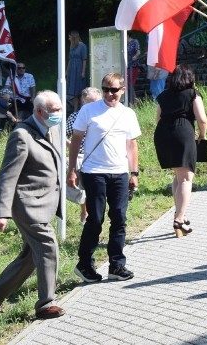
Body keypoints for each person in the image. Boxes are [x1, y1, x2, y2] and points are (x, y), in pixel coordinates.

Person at [0, 90, 66, 319]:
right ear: (39, 111)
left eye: (60, 108)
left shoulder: (51, 128)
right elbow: (7, 176)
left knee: (31, 257)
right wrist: (1, 213)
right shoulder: (21, 135)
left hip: (45, 203)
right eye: (55, 110)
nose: (59, 114)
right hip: (28, 205)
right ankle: (46, 304)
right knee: (48, 247)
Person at [68, 72, 141, 283]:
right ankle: (85, 264)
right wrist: (72, 169)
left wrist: (134, 173)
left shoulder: (128, 114)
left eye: (114, 90)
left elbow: (132, 145)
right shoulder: (89, 110)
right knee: (96, 219)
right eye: (106, 90)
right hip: (94, 172)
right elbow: (76, 140)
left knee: (119, 218)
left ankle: (117, 265)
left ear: (122, 91)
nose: (110, 94)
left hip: (119, 172)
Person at [154, 64, 207, 237]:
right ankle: (179, 220)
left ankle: (181, 215)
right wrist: (202, 135)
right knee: (186, 178)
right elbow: (202, 119)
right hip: (183, 132)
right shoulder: (193, 94)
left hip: (163, 134)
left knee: (178, 176)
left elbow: (157, 118)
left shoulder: (163, 96)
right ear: (190, 78)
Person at [67, 87, 102, 225]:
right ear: (83, 102)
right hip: (81, 157)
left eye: (96, 102)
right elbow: (63, 134)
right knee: (82, 191)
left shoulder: (103, 115)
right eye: (90, 102)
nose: (94, 106)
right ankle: (85, 211)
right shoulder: (75, 117)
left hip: (98, 157)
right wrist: (71, 146)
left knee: (95, 189)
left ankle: (93, 213)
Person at [66, 30, 88, 111]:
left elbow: (84, 59)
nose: (68, 38)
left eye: (69, 36)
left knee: (80, 91)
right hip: (72, 70)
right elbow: (70, 59)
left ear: (73, 37)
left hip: (79, 69)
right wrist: (67, 71)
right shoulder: (71, 46)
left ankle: (82, 109)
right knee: (74, 92)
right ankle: (75, 110)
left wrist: (83, 72)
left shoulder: (82, 46)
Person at [126, 36, 141, 104]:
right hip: (125, 66)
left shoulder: (134, 41)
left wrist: (135, 56)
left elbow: (138, 52)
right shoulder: (123, 42)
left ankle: (135, 99)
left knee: (130, 83)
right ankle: (134, 99)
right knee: (128, 83)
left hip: (133, 65)